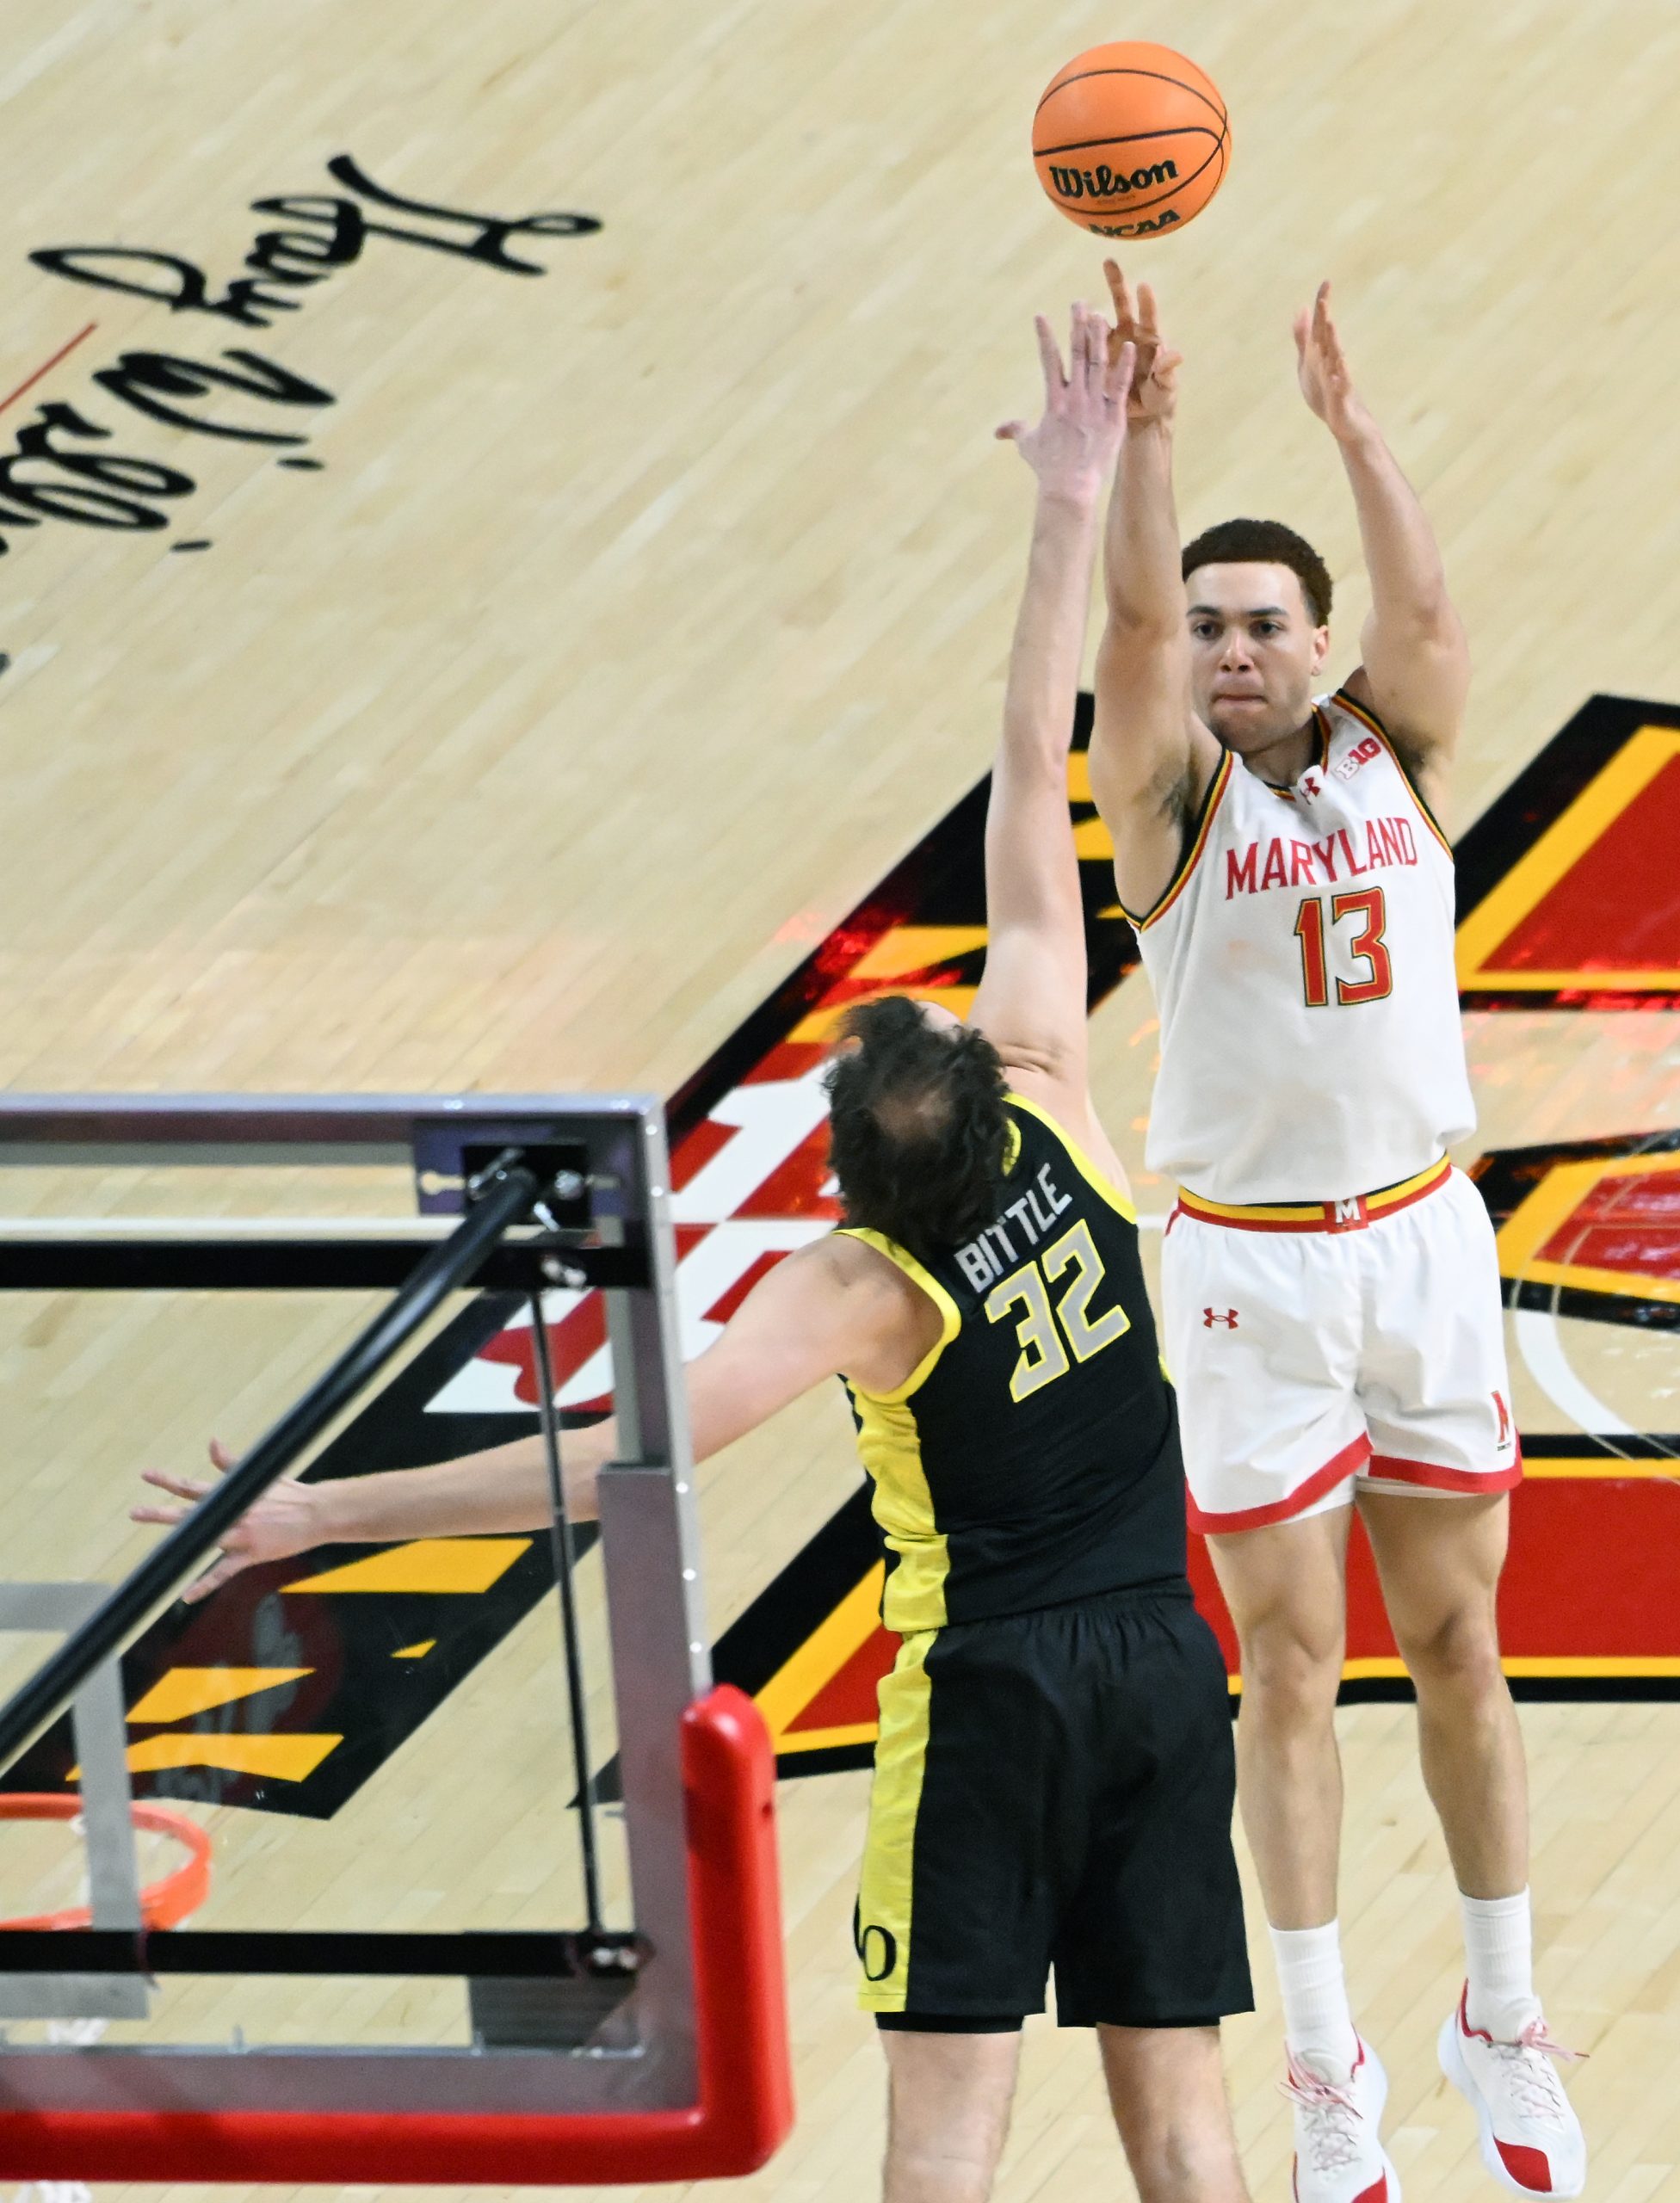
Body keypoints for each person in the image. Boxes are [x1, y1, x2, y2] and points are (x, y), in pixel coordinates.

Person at [135, 305, 1252, 2203]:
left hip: (983, 1688)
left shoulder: (854, 1286)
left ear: (850, 1173)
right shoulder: (1056, 1077)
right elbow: (1023, 752)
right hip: (1163, 1654)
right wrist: (1068, 501)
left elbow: (612, 1464)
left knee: (945, 2139)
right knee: (1185, 2125)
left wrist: (318, 1516)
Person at [1084, 263, 1587, 2203]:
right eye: (1206, 623)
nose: (1224, 646)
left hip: (1422, 1242)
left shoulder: (1399, 751)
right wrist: (1147, 442)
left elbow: (1436, 615)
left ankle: (1501, 2007)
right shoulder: (1167, 801)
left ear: (1312, 642)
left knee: (1460, 1638)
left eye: (1259, 622)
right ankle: (1320, 2058)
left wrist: (1356, 432)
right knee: (1287, 1668)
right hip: (1245, 1269)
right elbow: (1127, 616)